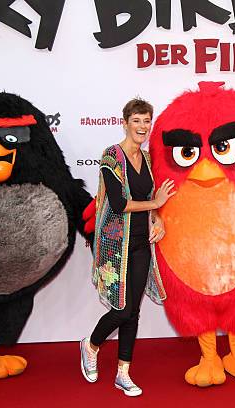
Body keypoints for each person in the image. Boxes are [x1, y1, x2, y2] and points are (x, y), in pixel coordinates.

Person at [80, 98, 175, 397]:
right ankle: (91, 344)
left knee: (133, 312)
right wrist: (156, 203)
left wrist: (157, 218)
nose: (142, 126)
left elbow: (149, 198)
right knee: (121, 310)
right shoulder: (111, 156)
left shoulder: (147, 159)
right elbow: (119, 205)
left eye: (147, 121)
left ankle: (123, 372)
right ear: (125, 122)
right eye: (137, 120)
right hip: (114, 245)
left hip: (141, 244)